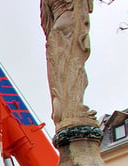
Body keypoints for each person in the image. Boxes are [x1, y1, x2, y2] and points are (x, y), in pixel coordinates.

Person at [41, 0, 97, 131]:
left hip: (56, 29)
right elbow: (88, 6)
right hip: (70, 21)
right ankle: (74, 109)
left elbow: (45, 22)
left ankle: (63, 107)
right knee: (74, 69)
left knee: (59, 72)